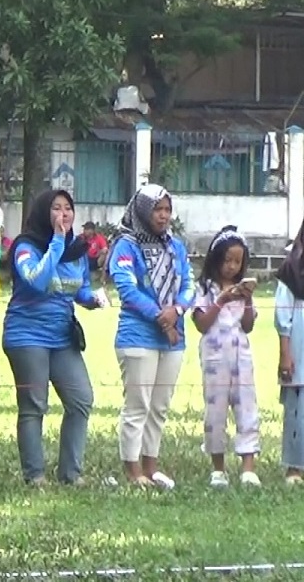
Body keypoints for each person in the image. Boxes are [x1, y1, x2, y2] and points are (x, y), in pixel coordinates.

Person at [3, 190, 99, 486]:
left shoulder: (77, 251)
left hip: (61, 336)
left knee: (81, 399)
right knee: (34, 404)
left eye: (68, 208)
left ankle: (71, 474)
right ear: (44, 212)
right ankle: (35, 475)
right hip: (26, 334)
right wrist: (57, 241)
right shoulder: (25, 247)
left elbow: (78, 288)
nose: (63, 214)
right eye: (56, 208)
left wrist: (91, 299)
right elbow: (37, 280)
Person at [108, 183, 193, 489]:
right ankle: (133, 472)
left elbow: (189, 285)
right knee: (137, 405)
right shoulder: (126, 246)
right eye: (158, 209)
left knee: (159, 406)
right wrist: (161, 316)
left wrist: (178, 311)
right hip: (138, 335)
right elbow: (127, 289)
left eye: (167, 210)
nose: (163, 216)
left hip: (173, 339)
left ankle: (151, 467)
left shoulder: (176, 247)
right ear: (144, 211)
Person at [191, 226, 259, 488]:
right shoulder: (205, 289)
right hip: (214, 357)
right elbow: (202, 324)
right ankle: (218, 468)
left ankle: (248, 467)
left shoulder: (241, 290)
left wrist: (248, 300)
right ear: (216, 259)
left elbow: (249, 325)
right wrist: (220, 299)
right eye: (227, 260)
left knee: (247, 408)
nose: (232, 266)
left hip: (241, 355)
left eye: (237, 262)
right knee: (215, 410)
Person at [276, 220, 304, 485]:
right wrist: (285, 352)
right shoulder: (292, 270)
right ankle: (294, 468)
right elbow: (282, 314)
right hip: (299, 347)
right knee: (298, 410)